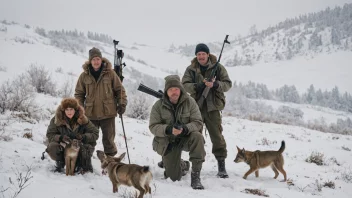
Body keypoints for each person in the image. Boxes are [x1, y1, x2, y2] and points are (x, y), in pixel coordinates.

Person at [182, 43, 232, 178]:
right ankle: (196, 166)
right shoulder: (191, 69)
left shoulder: (218, 68)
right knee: (195, 137)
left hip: (213, 108)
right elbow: (184, 85)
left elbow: (228, 84)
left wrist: (215, 84)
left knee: (217, 136)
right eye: (198, 54)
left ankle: (221, 165)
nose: (201, 56)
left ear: (208, 54)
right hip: (196, 108)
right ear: (196, 56)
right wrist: (197, 86)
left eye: (203, 54)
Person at [149, 75, 206, 190]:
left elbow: (198, 122)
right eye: (170, 90)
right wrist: (169, 129)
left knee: (198, 136)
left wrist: (185, 128)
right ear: (166, 91)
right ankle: (182, 164)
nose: (174, 92)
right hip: (168, 142)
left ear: (180, 89)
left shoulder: (190, 102)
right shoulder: (158, 106)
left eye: (176, 89)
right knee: (173, 177)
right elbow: (153, 127)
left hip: (185, 138)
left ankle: (195, 176)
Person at [75, 47, 127, 157]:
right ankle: (85, 161)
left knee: (109, 140)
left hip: (108, 113)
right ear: (90, 61)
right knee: (88, 139)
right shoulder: (84, 76)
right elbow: (79, 94)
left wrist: (122, 103)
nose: (96, 61)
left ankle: (110, 163)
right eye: (93, 59)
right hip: (90, 113)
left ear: (101, 59)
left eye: (98, 59)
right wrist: (80, 109)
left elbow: (120, 90)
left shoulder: (110, 74)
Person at [46, 98, 99, 173]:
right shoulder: (57, 119)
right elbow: (50, 134)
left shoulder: (83, 119)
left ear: (75, 109)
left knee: (86, 149)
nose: (69, 112)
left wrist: (83, 137)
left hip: (79, 146)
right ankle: (61, 162)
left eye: (71, 109)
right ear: (63, 110)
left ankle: (81, 164)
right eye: (67, 109)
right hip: (64, 146)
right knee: (52, 147)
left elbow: (95, 133)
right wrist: (60, 138)